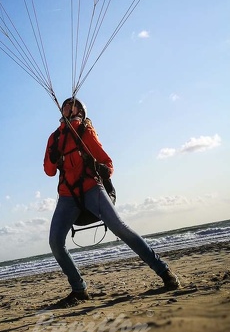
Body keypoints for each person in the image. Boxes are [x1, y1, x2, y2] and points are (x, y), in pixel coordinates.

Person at [44, 97, 180, 307]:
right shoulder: (54, 138)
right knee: (55, 242)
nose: (69, 106)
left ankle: (164, 271)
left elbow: (108, 164)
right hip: (67, 195)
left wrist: (100, 168)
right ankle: (79, 289)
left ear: (80, 110)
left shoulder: (86, 132)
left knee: (119, 227)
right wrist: (53, 156)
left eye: (74, 105)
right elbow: (49, 172)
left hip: (90, 188)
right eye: (66, 105)